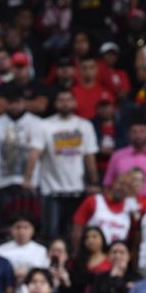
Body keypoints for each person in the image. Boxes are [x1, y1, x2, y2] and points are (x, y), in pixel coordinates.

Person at [25, 89, 99, 240]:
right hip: (52, 190)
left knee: (75, 234)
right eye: (61, 99)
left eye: (68, 99)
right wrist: (27, 178)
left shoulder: (84, 125)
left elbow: (89, 157)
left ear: (74, 102)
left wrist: (94, 182)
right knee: (51, 234)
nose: (65, 103)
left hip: (77, 190)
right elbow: (34, 153)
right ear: (55, 103)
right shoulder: (44, 125)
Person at [0, 216, 49, 286]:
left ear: (33, 230)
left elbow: (45, 274)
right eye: (18, 227)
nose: (21, 232)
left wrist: (28, 274)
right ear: (11, 229)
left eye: (26, 227)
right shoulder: (0, 251)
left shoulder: (41, 250)